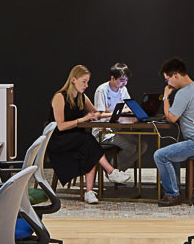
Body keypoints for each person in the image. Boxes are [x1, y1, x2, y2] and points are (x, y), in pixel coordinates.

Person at [47, 64, 127, 204]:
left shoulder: (81, 97)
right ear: (73, 80)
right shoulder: (60, 97)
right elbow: (61, 126)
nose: (86, 85)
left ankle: (90, 192)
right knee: (88, 141)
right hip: (59, 140)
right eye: (84, 81)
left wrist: (104, 114)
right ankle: (110, 172)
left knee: (89, 148)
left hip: (77, 139)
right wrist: (82, 119)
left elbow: (96, 112)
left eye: (87, 82)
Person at [153, 57, 194, 206]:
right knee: (171, 154)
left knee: (160, 155)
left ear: (175, 75)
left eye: (168, 79)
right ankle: (174, 189)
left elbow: (171, 118)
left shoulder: (183, 93)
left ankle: (173, 194)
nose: (168, 84)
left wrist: (165, 97)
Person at [92, 62, 138, 176]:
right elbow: (99, 114)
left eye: (126, 80)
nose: (124, 83)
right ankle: (112, 172)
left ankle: (116, 171)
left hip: (117, 129)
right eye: (121, 80)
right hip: (102, 131)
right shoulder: (102, 90)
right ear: (112, 78)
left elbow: (129, 107)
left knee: (142, 145)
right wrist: (121, 111)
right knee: (131, 147)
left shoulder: (123, 89)